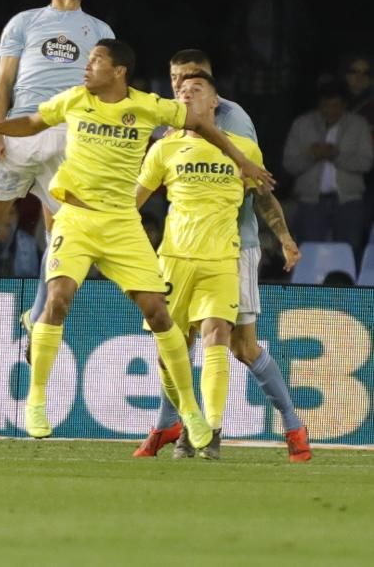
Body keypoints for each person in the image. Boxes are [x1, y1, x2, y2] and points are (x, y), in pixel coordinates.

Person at [0, 39, 274, 449]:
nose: (86, 68)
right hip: (76, 216)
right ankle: (36, 401)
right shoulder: (74, 99)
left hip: (123, 223)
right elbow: (34, 122)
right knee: (57, 297)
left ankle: (193, 413)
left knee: (160, 314)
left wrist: (243, 161)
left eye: (95, 62)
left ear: (119, 70)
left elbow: (202, 126)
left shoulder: (148, 106)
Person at [135, 49, 310, 462]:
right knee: (175, 345)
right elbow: (133, 200)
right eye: (177, 83)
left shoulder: (238, 129)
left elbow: (262, 191)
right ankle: (175, 425)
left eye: (193, 85)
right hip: (177, 257)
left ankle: (264, 425)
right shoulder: (166, 143)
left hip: (234, 248)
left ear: (213, 95)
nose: (183, 90)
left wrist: (284, 238)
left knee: (236, 343)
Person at [0, 0, 115, 342]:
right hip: (22, 128)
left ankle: (36, 316)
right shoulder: (24, 22)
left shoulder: (100, 29)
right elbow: (3, 82)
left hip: (70, 133)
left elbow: (107, 92)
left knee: (61, 235)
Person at [283, 83, 372, 260]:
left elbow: (366, 163)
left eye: (335, 106)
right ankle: (307, 288)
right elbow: (289, 164)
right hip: (311, 202)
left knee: (349, 253)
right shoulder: (302, 124)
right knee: (308, 253)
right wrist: (312, 155)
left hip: (349, 202)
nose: (330, 111)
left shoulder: (358, 125)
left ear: (344, 105)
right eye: (326, 106)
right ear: (319, 105)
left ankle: (345, 287)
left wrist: (336, 154)